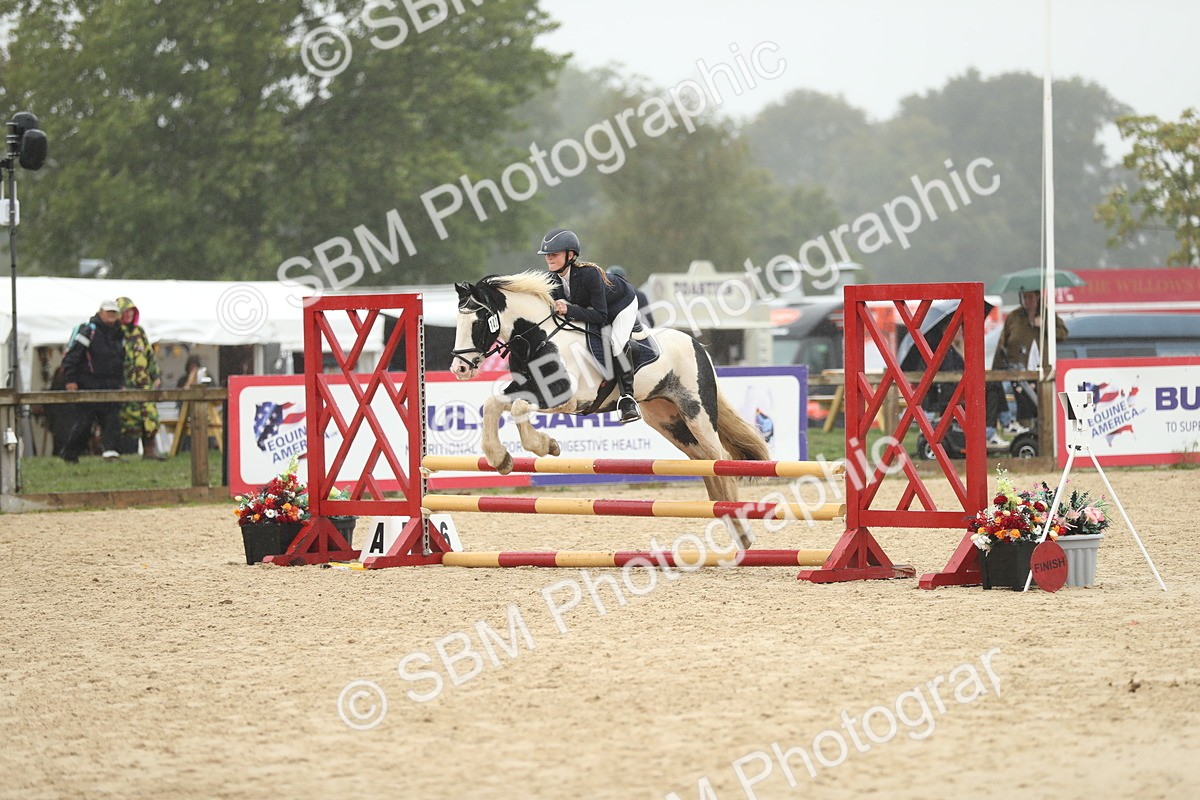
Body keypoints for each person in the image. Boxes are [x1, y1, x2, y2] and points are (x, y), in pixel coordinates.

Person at [537, 227, 642, 424]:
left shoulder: (589, 274)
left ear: (570, 255)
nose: (549, 258)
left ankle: (627, 399)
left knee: (617, 342)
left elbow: (601, 316)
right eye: (547, 255)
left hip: (620, 304)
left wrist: (569, 310)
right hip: (595, 308)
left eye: (554, 254)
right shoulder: (552, 279)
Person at [985, 287, 1068, 445]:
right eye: (1024, 297)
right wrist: (996, 371)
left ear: (1038, 297)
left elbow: (1063, 334)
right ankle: (1022, 442)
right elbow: (1003, 343)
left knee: (1041, 409)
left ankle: (1044, 444)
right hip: (1016, 371)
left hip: (1041, 371)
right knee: (1019, 405)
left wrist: (1044, 325)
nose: (1027, 301)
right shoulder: (1014, 317)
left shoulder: (1048, 315)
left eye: (1030, 297)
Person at [60, 299, 126, 462]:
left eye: (114, 312)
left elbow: (120, 361)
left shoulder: (118, 334)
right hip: (87, 384)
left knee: (112, 420)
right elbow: (72, 357)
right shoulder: (89, 331)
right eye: (108, 312)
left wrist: (121, 382)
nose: (111, 315)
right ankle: (70, 453)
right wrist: (71, 380)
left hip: (111, 386)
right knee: (84, 423)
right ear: (100, 313)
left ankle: (111, 453)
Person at [116, 297, 167, 460]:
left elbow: (149, 356)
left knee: (150, 417)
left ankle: (150, 451)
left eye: (132, 311)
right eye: (126, 311)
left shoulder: (139, 332)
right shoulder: (115, 333)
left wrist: (155, 375)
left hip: (144, 384)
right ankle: (123, 453)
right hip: (126, 384)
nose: (129, 314)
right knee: (128, 420)